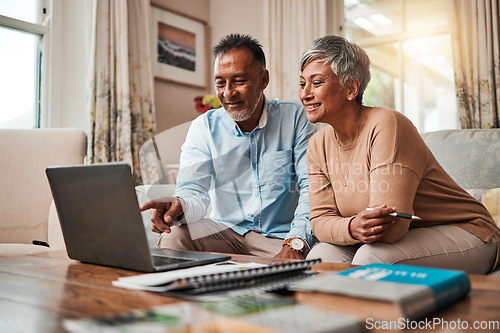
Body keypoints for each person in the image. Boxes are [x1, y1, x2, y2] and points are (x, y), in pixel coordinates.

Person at [300, 35, 500, 274]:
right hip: (401, 239)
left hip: (467, 232)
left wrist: (348, 227)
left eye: (317, 82)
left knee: (370, 258)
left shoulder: (388, 125)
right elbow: (320, 221)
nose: (305, 94)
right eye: (302, 84)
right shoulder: (317, 145)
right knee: (319, 259)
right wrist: (353, 227)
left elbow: (391, 229)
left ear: (351, 88)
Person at [140, 34, 317, 259]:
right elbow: (193, 191)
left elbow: (312, 187)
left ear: (263, 80)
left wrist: (295, 243)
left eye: (239, 81)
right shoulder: (204, 127)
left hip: (279, 238)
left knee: (317, 259)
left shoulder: (294, 118)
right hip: (225, 233)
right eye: (220, 82)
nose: (228, 93)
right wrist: (179, 205)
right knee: (175, 235)